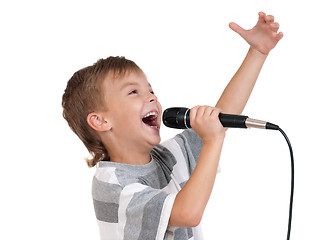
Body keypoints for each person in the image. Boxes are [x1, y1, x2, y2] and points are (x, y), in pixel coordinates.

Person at [62, 11, 283, 240]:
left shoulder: (167, 156)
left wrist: (257, 52)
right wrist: (213, 139)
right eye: (133, 92)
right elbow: (187, 213)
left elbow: (222, 115)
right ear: (100, 121)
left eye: (151, 90)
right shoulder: (113, 184)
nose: (151, 97)